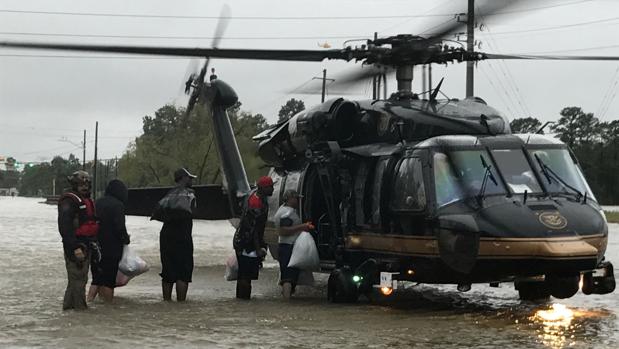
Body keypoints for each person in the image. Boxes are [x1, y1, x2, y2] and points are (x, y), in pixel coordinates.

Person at [57, 170, 99, 310]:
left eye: (87, 184)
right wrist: (75, 248)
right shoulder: (69, 201)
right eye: (81, 184)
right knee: (78, 280)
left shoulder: (84, 200)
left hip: (86, 243)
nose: (85, 187)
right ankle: (80, 311)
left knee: (76, 280)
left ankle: (69, 310)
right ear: (74, 185)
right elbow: (65, 228)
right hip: (76, 245)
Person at [153, 168, 196, 301]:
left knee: (167, 272)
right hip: (183, 236)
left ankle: (167, 302)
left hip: (166, 237)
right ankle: (180, 305)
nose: (191, 180)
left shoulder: (168, 195)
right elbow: (193, 210)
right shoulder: (190, 195)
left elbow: (158, 213)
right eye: (189, 178)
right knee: (183, 273)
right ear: (183, 178)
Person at [87, 179, 131, 303]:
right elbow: (120, 227)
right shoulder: (118, 205)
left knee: (97, 278)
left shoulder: (97, 203)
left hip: (95, 246)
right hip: (111, 248)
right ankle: (107, 307)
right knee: (108, 280)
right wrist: (126, 239)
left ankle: (89, 301)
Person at [232, 176, 274, 300]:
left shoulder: (256, 196)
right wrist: (258, 248)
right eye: (270, 186)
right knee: (246, 276)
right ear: (263, 188)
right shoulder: (256, 203)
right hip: (247, 244)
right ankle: (244, 300)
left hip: (243, 242)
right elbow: (253, 229)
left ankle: (241, 300)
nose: (272, 189)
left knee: (244, 276)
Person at [273, 189, 313, 299]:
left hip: (287, 246)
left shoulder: (283, 210)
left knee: (289, 276)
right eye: (296, 198)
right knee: (288, 278)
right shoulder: (287, 213)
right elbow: (283, 231)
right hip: (288, 247)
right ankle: (287, 302)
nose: (298, 201)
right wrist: (302, 227)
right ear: (290, 199)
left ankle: (287, 299)